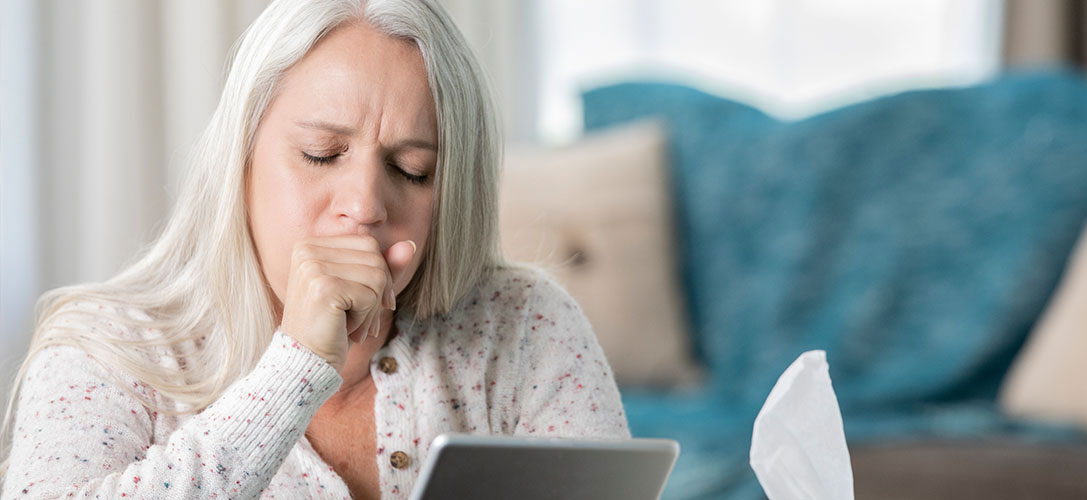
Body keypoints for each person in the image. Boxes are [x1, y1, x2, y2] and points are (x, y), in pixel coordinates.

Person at [0, 1, 628, 498]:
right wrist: (295, 367)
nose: (364, 204)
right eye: (322, 155)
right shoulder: (104, 349)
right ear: (241, 161)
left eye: (412, 169)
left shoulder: (525, 325)